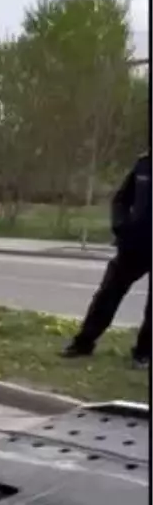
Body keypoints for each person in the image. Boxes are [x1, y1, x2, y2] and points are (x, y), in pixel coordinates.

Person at [62, 151, 150, 368]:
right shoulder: (143, 164)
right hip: (133, 245)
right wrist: (121, 226)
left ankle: (143, 354)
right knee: (108, 294)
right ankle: (83, 343)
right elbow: (121, 199)